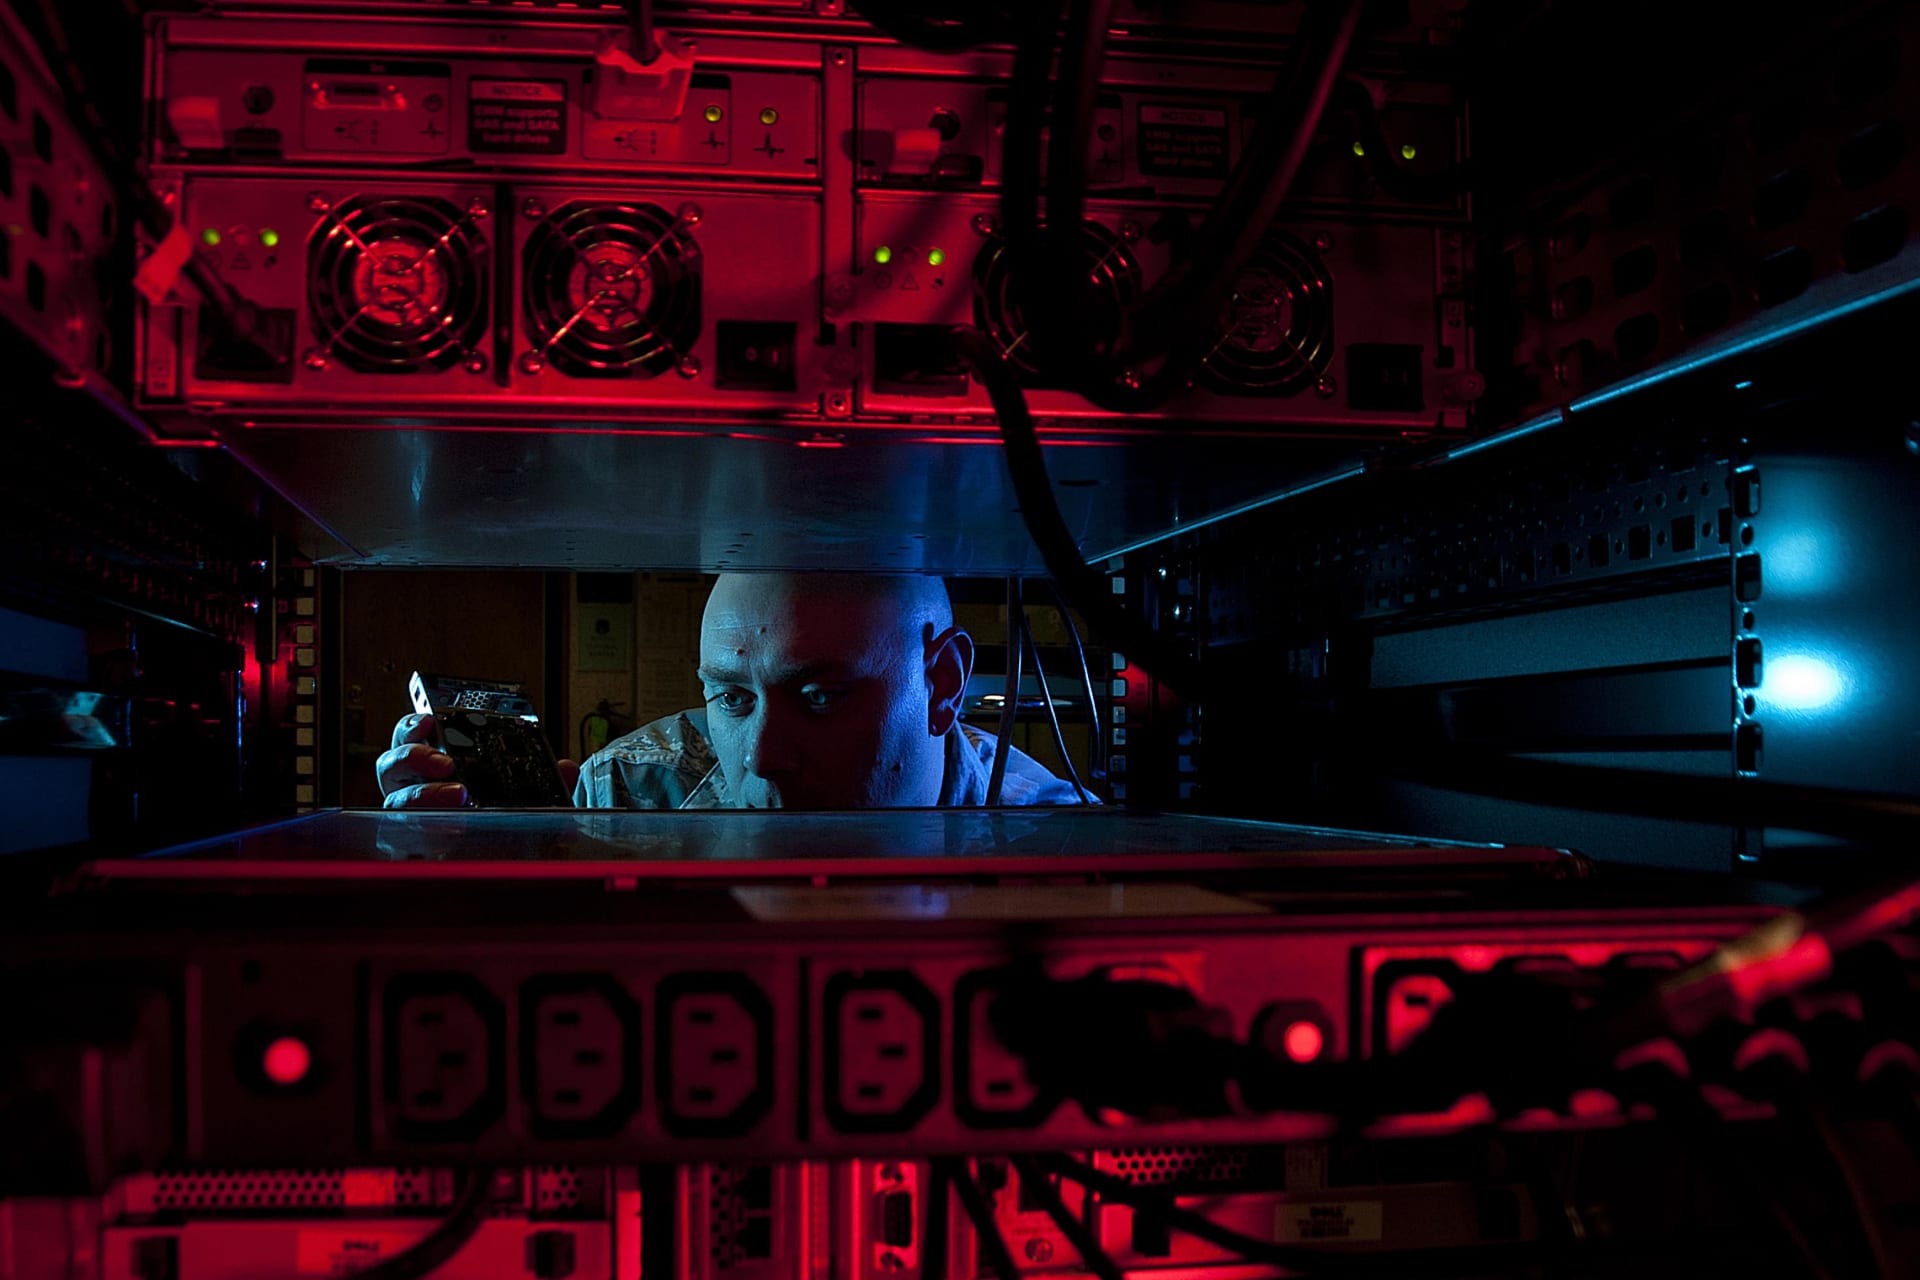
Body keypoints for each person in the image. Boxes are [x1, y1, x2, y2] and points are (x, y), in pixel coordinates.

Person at [377, 573, 1091, 809]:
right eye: (734, 699)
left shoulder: (1070, 857)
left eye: (820, 697)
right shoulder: (625, 793)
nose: (762, 758)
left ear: (942, 685)